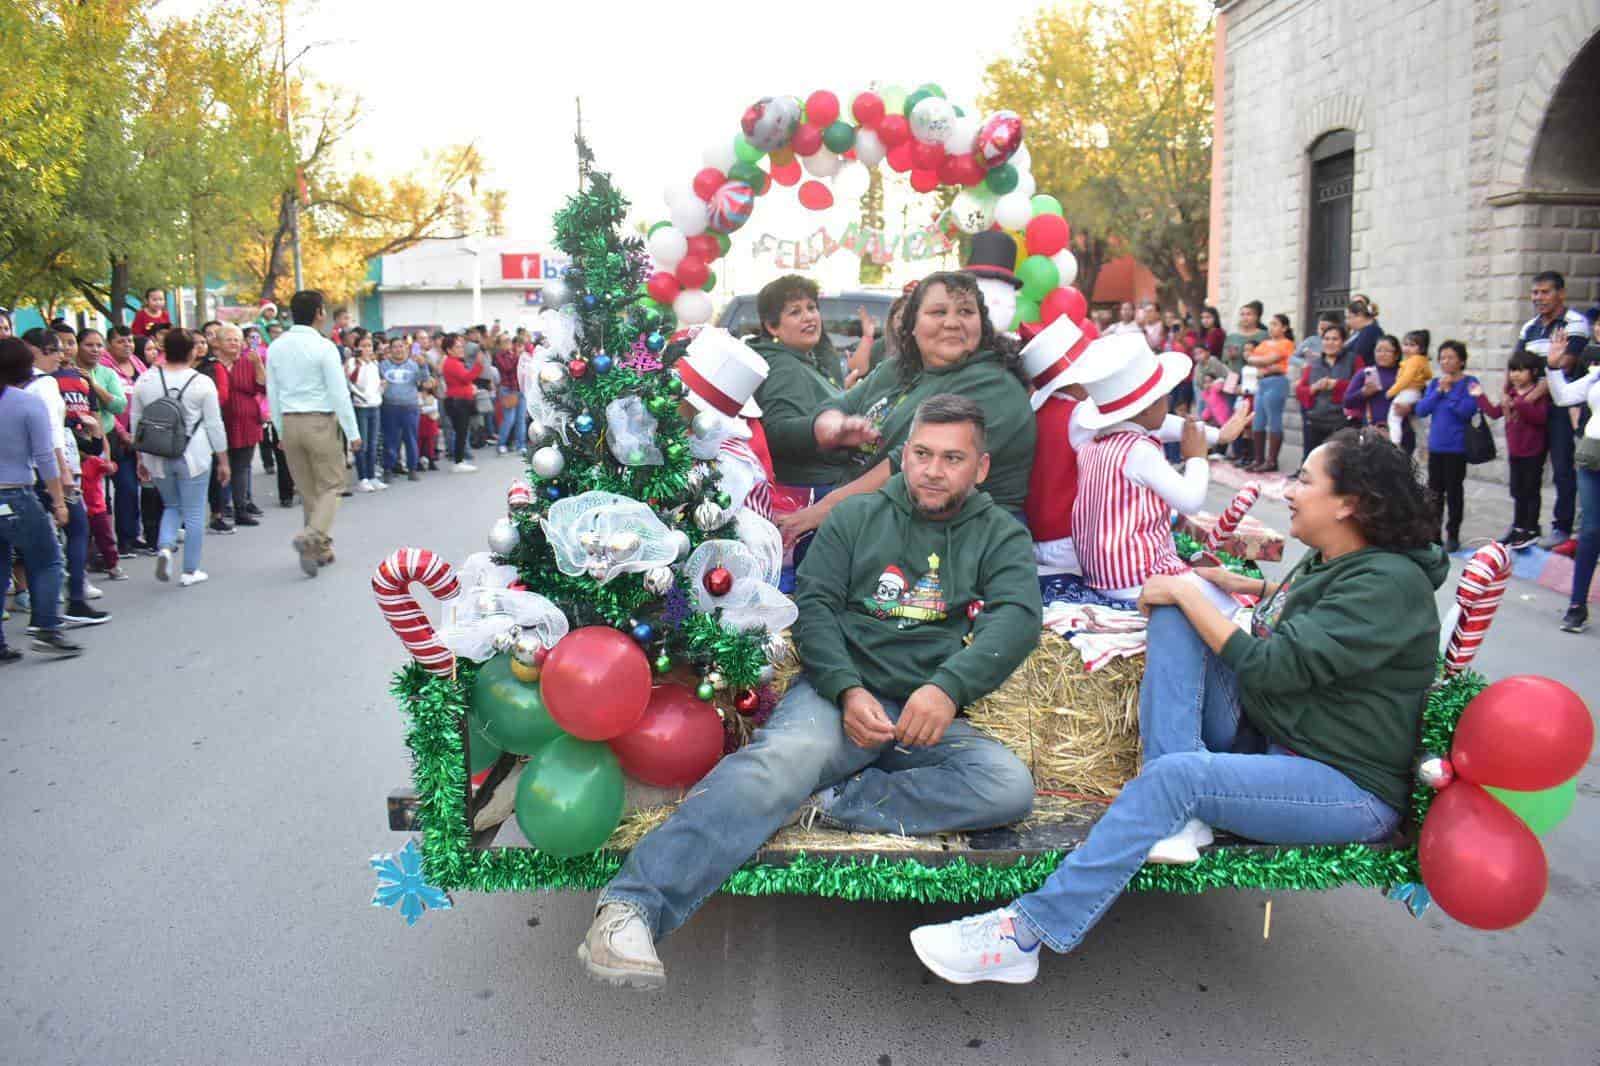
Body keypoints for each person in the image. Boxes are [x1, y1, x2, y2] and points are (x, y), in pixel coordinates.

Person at [911, 428, 1446, 984]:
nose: (1289, 490)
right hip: (1277, 732)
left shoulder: (1389, 583)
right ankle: (1176, 811)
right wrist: (1228, 585)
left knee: (1177, 765)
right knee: (1173, 612)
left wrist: (1190, 590)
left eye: (1305, 480)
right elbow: (1304, 613)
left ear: (1349, 504)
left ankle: (1023, 935)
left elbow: (1274, 666)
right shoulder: (1338, 557)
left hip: (1345, 785)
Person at [581, 395, 1041, 989]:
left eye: (953, 458)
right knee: (776, 764)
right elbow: (815, 608)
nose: (933, 469)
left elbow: (1018, 619)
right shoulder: (856, 517)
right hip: (838, 698)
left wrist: (948, 689)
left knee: (1008, 787)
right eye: (922, 453)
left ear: (979, 467)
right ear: (903, 456)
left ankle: (837, 799)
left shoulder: (998, 532)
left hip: (926, 711)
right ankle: (632, 907)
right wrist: (847, 690)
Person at [779, 271, 1036, 544]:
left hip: (962, 537)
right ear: (912, 324)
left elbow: (909, 464)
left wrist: (822, 511)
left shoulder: (992, 383)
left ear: (981, 324)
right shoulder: (902, 367)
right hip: (879, 509)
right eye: (938, 312)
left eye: (965, 311)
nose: (952, 322)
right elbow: (841, 404)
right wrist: (834, 426)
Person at [1022, 319, 1250, 578]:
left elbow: (1149, 420)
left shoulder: (1045, 410)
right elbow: (1154, 424)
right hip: (1071, 542)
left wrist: (1215, 434)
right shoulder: (1080, 416)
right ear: (1076, 379)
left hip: (1043, 534)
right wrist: (1202, 451)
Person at [1068, 334, 1245, 613]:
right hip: (1141, 579)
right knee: (1230, 607)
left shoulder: (1091, 443)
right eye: (1165, 396)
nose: (1170, 401)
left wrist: (1218, 435)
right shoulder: (1138, 450)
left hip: (1101, 575)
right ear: (1150, 405)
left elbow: (1164, 425)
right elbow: (1190, 501)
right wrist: (1197, 458)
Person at [265, 289, 361, 577]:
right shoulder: (323, 347)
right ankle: (312, 535)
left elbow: (273, 392)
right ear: (319, 312)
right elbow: (338, 392)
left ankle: (319, 549)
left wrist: (280, 429)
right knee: (332, 485)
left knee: (309, 491)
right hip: (320, 420)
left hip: (290, 422)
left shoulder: (276, 347)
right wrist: (352, 431)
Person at [0, 337, 81, 659]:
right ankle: (47, 626)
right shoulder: (27, 403)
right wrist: (59, 500)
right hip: (16, 492)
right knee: (47, 558)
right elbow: (45, 457)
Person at [129, 328, 229, 587]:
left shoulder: (146, 380)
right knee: (194, 512)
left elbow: (136, 422)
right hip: (193, 455)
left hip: (157, 455)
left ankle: (164, 547)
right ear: (192, 351)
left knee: (172, 506)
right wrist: (223, 459)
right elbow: (214, 424)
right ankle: (190, 570)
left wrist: (140, 458)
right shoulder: (201, 382)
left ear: (163, 350)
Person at [744, 276, 853, 505]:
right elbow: (776, 430)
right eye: (795, 312)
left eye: (812, 308)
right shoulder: (785, 366)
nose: (809, 317)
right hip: (813, 492)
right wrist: (821, 429)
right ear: (772, 326)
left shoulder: (801, 357)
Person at [24, 328, 107, 625]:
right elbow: (51, 435)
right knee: (75, 530)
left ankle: (47, 606)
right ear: (39, 350)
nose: (61, 355)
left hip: (28, 471)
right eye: (56, 350)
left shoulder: (21, 384)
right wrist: (62, 474)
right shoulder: (44, 385)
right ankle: (72, 601)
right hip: (50, 470)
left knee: (34, 543)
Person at [1515, 271, 1592, 550]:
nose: (1539, 298)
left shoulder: (1575, 324)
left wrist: (1531, 395)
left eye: (1545, 292)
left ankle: (1562, 527)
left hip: (1562, 407)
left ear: (1561, 293)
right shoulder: (1530, 327)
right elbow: (1517, 363)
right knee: (1528, 468)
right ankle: (1525, 526)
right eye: (1535, 293)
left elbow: (1566, 365)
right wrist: (1510, 396)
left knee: (1562, 469)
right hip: (1531, 408)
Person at [1542, 336, 1600, 632]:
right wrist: (1552, 366)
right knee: (1590, 530)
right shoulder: (1596, 373)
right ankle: (1577, 606)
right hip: (1593, 457)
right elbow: (1563, 396)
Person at [1472, 350, 1550, 551]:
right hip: (1515, 451)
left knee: (1531, 490)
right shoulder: (1511, 395)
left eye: (1521, 371)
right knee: (1517, 491)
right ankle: (1518, 526)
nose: (1515, 375)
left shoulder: (1538, 395)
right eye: (1513, 370)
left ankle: (1531, 529)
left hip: (1533, 450)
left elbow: (1540, 418)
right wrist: (1480, 396)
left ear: (1533, 372)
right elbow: (1495, 412)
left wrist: (1520, 404)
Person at [1415, 340, 1479, 553]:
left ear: (1461, 360)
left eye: (1450, 357)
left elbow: (1467, 410)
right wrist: (1439, 392)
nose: (1446, 361)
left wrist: (1450, 393)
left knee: (1454, 492)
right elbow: (1422, 409)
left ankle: (1453, 534)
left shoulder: (1471, 382)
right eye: (1442, 357)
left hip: (1457, 447)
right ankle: (1433, 534)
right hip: (1436, 447)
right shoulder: (1435, 384)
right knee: (1434, 493)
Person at [100, 326, 148, 554]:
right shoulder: (105, 368)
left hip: (140, 432)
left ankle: (136, 532)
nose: (127, 345)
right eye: (120, 341)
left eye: (129, 341)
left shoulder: (138, 363)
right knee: (126, 486)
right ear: (110, 344)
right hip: (116, 436)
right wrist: (123, 434)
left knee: (139, 485)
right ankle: (123, 538)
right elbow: (109, 408)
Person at [214, 323, 266, 524]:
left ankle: (241, 507)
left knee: (242, 466)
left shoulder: (248, 361)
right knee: (220, 465)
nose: (234, 343)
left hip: (246, 419)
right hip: (220, 419)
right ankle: (220, 509)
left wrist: (258, 365)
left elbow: (262, 386)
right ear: (218, 343)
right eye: (229, 339)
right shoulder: (213, 365)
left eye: (237, 339)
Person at [1295, 321, 1360, 462]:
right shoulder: (1314, 364)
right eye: (1326, 339)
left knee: (1338, 463)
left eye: (1335, 339)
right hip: (1316, 420)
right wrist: (1314, 388)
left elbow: (1360, 385)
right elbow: (1300, 390)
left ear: (1343, 341)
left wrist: (1337, 384)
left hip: (1342, 422)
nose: (1330, 343)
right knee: (1313, 462)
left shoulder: (1353, 360)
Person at [1343, 334, 1416, 456]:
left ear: (1397, 354)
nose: (1382, 354)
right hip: (1373, 432)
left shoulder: (1406, 374)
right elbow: (1347, 401)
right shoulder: (1366, 373)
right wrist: (1363, 393)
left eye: (1387, 351)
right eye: (1378, 350)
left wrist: (1411, 408)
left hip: (1402, 434)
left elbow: (1421, 396)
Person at [1244, 313, 1294, 472]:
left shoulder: (1286, 343)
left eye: (1275, 324)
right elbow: (1248, 357)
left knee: (1274, 419)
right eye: (1270, 324)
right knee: (1258, 419)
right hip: (1263, 382)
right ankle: (1258, 459)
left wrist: (1259, 361)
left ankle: (1272, 461)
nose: (1271, 327)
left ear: (1284, 328)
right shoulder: (1265, 343)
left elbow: (1264, 360)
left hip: (1277, 381)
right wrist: (1261, 362)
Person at [1222, 301, 1268, 464]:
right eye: (1242, 314)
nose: (1245, 317)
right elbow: (1224, 360)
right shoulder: (1232, 336)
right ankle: (1236, 451)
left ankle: (1251, 454)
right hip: (1234, 378)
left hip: (1252, 379)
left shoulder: (1263, 336)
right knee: (1232, 414)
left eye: (1249, 314)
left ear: (1257, 316)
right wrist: (1231, 356)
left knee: (1249, 418)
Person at [380, 335, 425, 481]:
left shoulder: (413, 364)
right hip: (389, 407)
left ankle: (412, 468)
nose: (398, 349)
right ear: (390, 349)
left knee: (411, 439)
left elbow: (424, 381)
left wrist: (423, 366)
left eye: (401, 346)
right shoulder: (382, 365)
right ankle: (388, 469)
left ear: (406, 348)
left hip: (410, 407)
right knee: (390, 440)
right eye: (395, 347)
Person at [344, 329, 385, 491]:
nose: (368, 349)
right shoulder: (353, 363)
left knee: (373, 443)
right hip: (360, 406)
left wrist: (381, 389)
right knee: (362, 444)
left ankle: (372, 475)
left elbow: (376, 384)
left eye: (370, 346)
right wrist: (359, 362)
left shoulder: (374, 363)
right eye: (364, 346)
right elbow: (352, 381)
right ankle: (363, 478)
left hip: (375, 405)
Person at [438, 332, 481, 472]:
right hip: (458, 402)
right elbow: (466, 378)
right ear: (449, 350)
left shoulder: (454, 362)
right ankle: (458, 461)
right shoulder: (452, 363)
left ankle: (460, 459)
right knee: (461, 432)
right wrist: (478, 366)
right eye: (457, 347)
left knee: (462, 431)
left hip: (460, 401)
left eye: (461, 346)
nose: (461, 349)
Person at [1385, 329, 1433, 445]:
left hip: (1407, 391)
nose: (1407, 348)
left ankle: (1394, 443)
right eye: (1405, 344)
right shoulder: (1422, 361)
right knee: (1416, 422)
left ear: (1421, 349)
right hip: (1415, 392)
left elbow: (1405, 379)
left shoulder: (1413, 361)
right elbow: (1428, 375)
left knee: (1393, 417)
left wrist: (1391, 392)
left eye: (1412, 345)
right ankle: (1425, 443)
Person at [492, 334, 526, 455]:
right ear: (500, 344)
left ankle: (521, 445)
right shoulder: (499, 356)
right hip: (508, 390)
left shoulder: (515, 354)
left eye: (509, 340)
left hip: (520, 389)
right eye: (505, 341)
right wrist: (518, 356)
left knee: (521, 419)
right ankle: (501, 444)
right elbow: (507, 368)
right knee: (509, 419)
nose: (509, 342)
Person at [1342, 295, 1384, 368]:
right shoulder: (1365, 331)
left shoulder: (1370, 331)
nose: (1347, 322)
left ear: (1359, 315)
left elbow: (1357, 356)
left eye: (1348, 317)